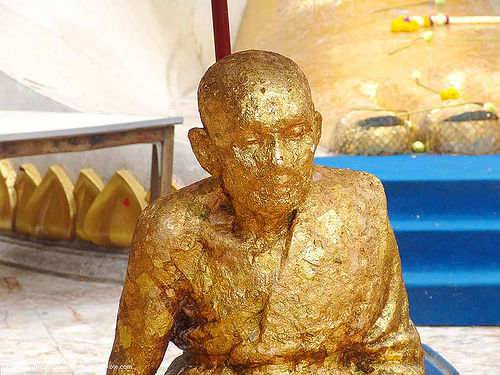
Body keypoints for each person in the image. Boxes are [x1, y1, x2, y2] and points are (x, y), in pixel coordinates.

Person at [107, 50, 425, 375]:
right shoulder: (173, 229)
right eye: (250, 141)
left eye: (295, 134)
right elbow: (129, 365)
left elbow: (394, 352)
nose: (278, 162)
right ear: (206, 152)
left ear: (316, 131)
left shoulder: (358, 202)